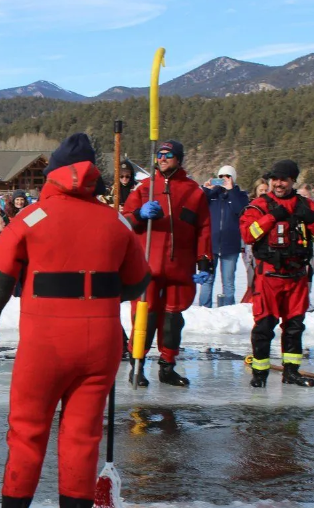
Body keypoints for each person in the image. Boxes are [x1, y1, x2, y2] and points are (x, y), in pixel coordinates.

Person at [0, 133, 151, 508]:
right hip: (101, 342)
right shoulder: (116, 222)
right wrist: (98, 297)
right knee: (82, 438)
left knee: (28, 435)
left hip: (45, 345)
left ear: (52, 176)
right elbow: (139, 279)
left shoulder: (30, 218)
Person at [122, 140, 212, 387]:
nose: (162, 158)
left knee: (173, 319)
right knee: (144, 317)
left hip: (179, 266)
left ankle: (167, 367)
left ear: (179, 159)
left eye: (168, 155)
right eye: (159, 155)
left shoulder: (194, 192)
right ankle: (137, 366)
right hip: (148, 264)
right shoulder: (144, 189)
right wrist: (140, 215)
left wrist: (204, 261)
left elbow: (203, 229)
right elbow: (125, 221)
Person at [241, 160, 314, 387]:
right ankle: (259, 374)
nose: (278, 183)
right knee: (263, 327)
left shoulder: (307, 206)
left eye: (283, 179)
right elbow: (248, 234)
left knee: (294, 327)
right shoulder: (260, 206)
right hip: (269, 278)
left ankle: (291, 372)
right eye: (275, 179)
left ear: (293, 180)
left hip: (296, 277)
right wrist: (272, 217)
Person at [200, 165, 249, 307]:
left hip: (230, 246)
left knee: (228, 282)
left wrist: (231, 191)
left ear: (233, 178)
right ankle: (204, 309)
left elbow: (240, 210)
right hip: (211, 245)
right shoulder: (212, 195)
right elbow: (198, 204)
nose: (223, 181)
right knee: (207, 279)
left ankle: (228, 310)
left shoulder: (240, 195)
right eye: (221, 178)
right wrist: (205, 189)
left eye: (227, 177)